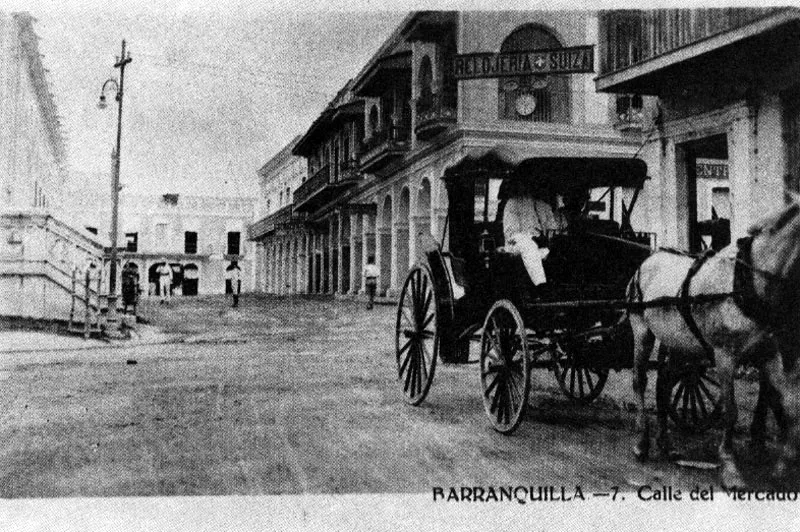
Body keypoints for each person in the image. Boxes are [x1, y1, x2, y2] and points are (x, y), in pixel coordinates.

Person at [502, 192, 565, 286]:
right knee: (529, 245)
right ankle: (541, 285)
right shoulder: (513, 203)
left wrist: (548, 240)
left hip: (540, 245)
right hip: (517, 244)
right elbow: (511, 234)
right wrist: (532, 238)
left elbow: (551, 229)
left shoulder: (544, 206)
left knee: (555, 248)